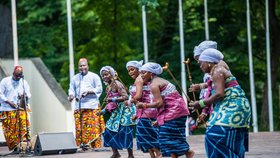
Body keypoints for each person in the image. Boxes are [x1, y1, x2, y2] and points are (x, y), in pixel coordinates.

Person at [189, 48, 251, 158]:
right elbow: (212, 84)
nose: (200, 65)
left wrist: (201, 103)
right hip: (235, 106)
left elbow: (219, 94)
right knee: (224, 136)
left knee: (215, 135)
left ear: (208, 62)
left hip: (233, 107)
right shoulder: (217, 69)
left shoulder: (217, 70)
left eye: (201, 62)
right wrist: (200, 86)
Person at [136, 62, 194, 158]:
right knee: (171, 136)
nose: (141, 75)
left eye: (144, 72)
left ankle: (188, 152)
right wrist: (159, 120)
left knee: (166, 137)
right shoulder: (159, 80)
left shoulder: (154, 84)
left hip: (175, 112)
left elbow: (159, 103)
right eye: (141, 72)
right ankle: (178, 154)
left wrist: (144, 105)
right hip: (176, 112)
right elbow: (164, 104)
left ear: (151, 73)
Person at [125, 60, 161, 158]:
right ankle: (153, 156)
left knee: (144, 136)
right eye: (129, 71)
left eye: (132, 69)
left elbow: (138, 95)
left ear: (138, 69)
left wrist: (129, 101)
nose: (130, 72)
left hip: (147, 112)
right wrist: (136, 114)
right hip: (143, 111)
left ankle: (159, 154)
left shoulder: (139, 79)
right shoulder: (142, 79)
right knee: (146, 136)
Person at [68, 58, 105, 149]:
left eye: (84, 65)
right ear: (78, 67)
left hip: (92, 106)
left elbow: (99, 89)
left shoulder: (94, 76)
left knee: (93, 129)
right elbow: (71, 89)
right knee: (80, 129)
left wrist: (89, 91)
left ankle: (95, 147)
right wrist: (71, 95)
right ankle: (83, 146)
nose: (82, 67)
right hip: (79, 107)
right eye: (80, 66)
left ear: (88, 66)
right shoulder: (75, 78)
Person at [100, 66, 136, 158]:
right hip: (116, 112)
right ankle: (116, 153)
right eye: (103, 75)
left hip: (125, 110)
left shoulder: (117, 84)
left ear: (111, 74)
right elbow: (110, 103)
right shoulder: (108, 87)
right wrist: (104, 111)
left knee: (125, 131)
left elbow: (126, 97)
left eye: (106, 74)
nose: (104, 77)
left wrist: (112, 99)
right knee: (108, 130)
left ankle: (130, 155)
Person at [0, 66, 31, 151]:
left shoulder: (24, 82)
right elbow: (0, 94)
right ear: (13, 73)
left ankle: (24, 147)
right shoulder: (5, 81)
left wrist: (24, 96)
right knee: (10, 131)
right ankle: (15, 149)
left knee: (24, 128)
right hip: (7, 109)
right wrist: (9, 102)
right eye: (16, 75)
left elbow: (28, 94)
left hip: (20, 110)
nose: (17, 77)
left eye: (19, 75)